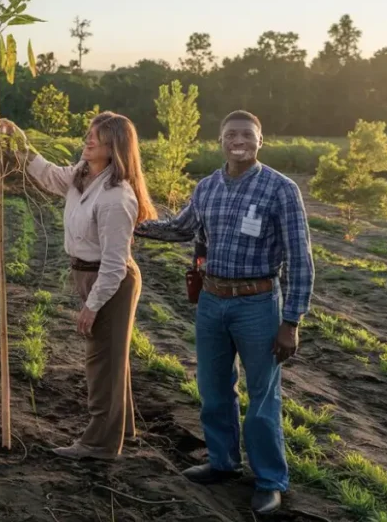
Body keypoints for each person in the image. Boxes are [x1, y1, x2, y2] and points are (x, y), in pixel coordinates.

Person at [134, 110, 314, 516]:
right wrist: (135, 224)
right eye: (231, 133)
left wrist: (292, 321)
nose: (239, 140)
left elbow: (299, 260)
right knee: (213, 388)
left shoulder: (280, 189)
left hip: (258, 304)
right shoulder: (207, 188)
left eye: (247, 134)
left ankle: (270, 480)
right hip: (213, 302)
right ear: (220, 140)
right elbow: (181, 228)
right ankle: (222, 462)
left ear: (260, 140)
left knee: (262, 396)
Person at [7, 112, 156, 460]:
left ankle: (99, 444)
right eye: (89, 134)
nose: (88, 140)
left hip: (111, 281)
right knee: (111, 357)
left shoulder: (116, 198)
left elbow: (115, 263)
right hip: (89, 273)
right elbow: (49, 175)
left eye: (98, 137)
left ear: (115, 147)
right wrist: (20, 144)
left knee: (101, 361)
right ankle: (124, 430)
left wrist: (93, 306)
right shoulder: (82, 175)